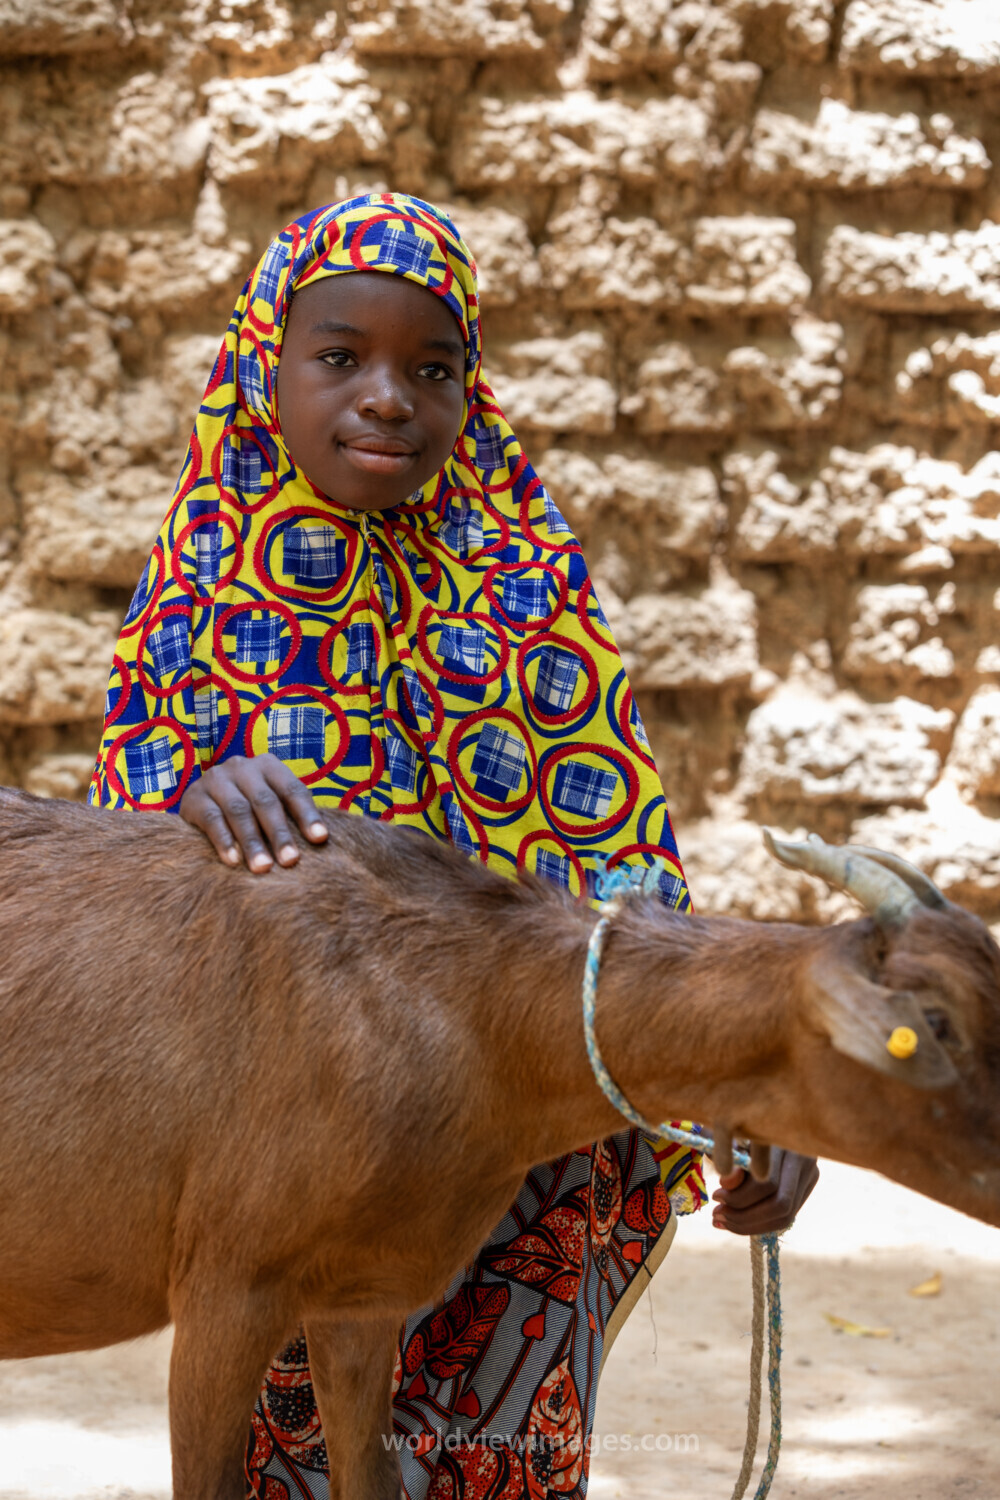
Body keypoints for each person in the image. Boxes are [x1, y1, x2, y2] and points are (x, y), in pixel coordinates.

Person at [91, 192, 817, 1500]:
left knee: (484, 1462)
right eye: (340, 358)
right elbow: (128, 885)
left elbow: (624, 893)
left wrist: (743, 1092)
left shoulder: (528, 594)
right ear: (267, 366)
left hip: (516, 1142)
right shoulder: (202, 593)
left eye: (433, 369)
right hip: (290, 1142)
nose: (387, 398)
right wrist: (189, 789)